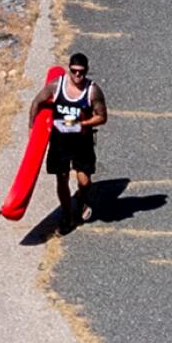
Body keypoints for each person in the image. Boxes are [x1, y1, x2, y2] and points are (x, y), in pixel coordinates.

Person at [34, 50, 107, 228]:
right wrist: (32, 130)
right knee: (62, 178)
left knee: (85, 181)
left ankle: (81, 200)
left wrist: (84, 123)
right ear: (69, 70)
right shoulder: (56, 86)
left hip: (82, 141)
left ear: (87, 70)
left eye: (81, 71)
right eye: (74, 71)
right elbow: (36, 102)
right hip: (60, 142)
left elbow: (102, 117)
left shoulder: (93, 91)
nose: (77, 75)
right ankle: (67, 216)